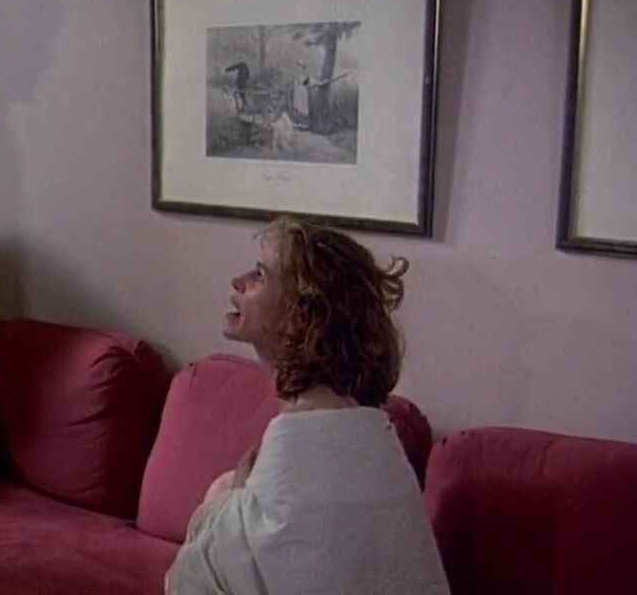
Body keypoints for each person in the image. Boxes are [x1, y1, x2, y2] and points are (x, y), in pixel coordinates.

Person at [165, 217, 448, 595]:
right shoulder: (346, 428)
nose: (239, 280)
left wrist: (219, 499)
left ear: (303, 315)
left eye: (260, 275)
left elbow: (194, 579)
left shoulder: (335, 441)